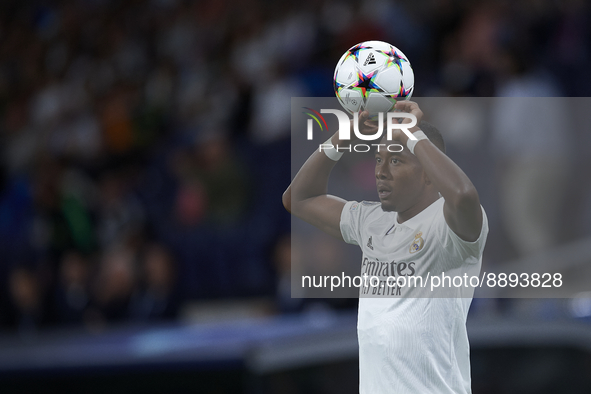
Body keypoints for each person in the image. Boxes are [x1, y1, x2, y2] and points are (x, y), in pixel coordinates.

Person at [283, 101, 488, 393]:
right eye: (379, 159)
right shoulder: (371, 220)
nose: (381, 171)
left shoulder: (449, 225)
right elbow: (298, 199)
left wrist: (412, 133)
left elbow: (464, 195)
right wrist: (343, 137)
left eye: (395, 160)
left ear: (428, 173)